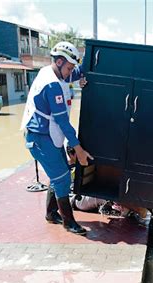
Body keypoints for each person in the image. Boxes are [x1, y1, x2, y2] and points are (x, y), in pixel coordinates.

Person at [20, 41, 93, 235]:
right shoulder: (51, 85)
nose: (71, 73)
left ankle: (52, 213)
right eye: (69, 68)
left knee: (57, 175)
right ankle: (69, 222)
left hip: (49, 135)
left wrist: (86, 64)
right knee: (61, 179)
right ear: (59, 62)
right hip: (41, 138)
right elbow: (63, 122)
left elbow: (78, 72)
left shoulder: (55, 72)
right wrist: (78, 149)